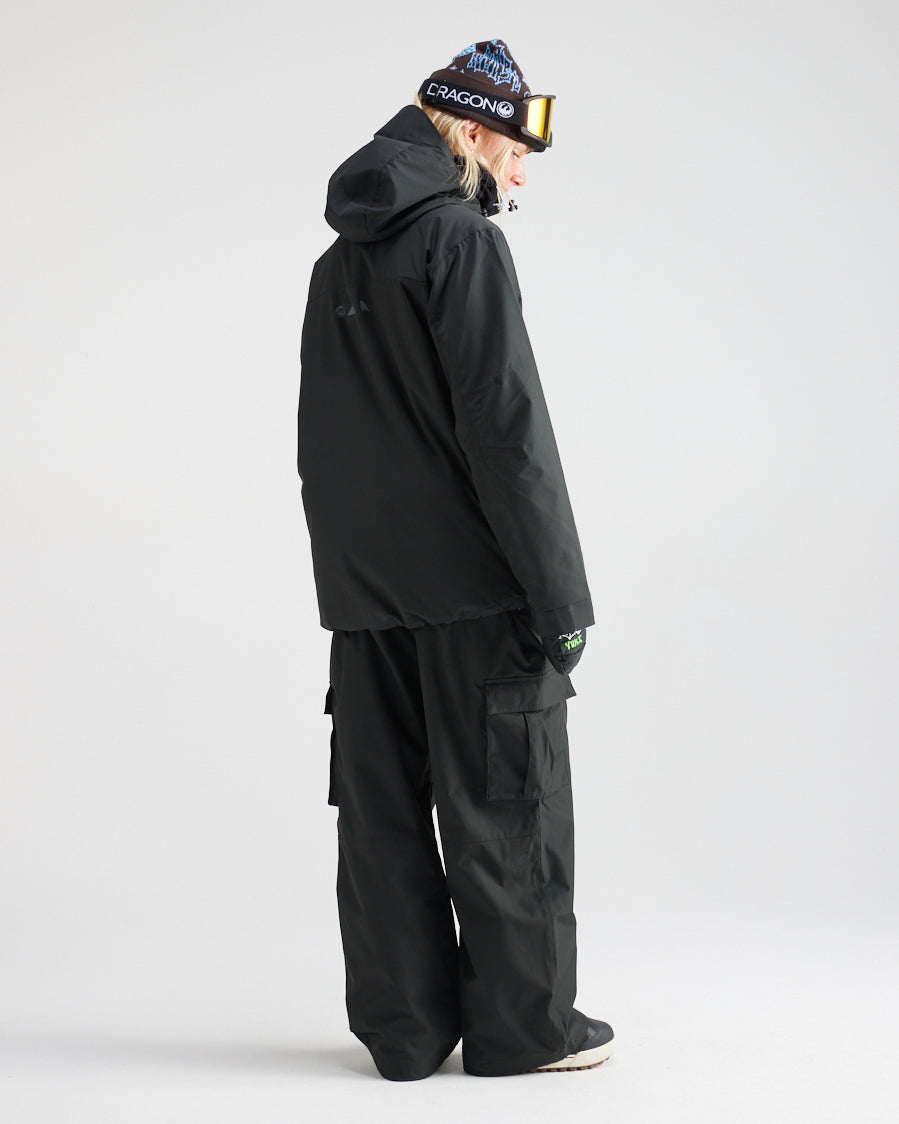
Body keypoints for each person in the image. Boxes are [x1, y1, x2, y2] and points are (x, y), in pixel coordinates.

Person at [296, 38, 614, 1080]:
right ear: (471, 135)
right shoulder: (460, 242)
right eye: (515, 152)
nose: (520, 176)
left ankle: (404, 1033)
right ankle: (526, 1032)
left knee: (380, 816)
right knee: (507, 806)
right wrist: (558, 596)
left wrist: (349, 590)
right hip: (477, 592)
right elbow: (506, 431)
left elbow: (324, 441)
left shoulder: (336, 263)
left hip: (366, 600)